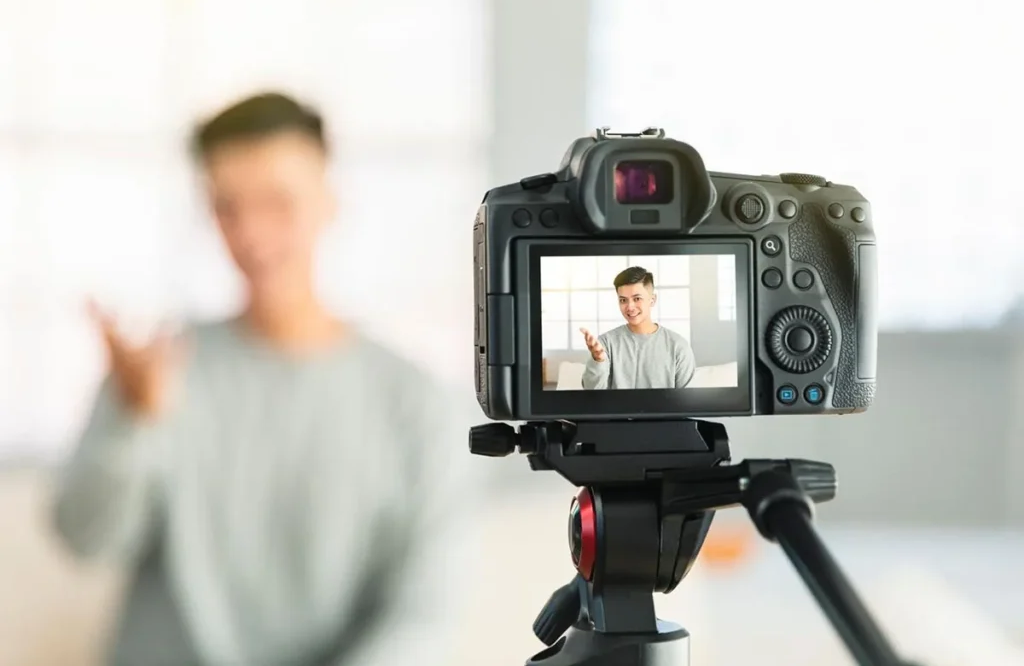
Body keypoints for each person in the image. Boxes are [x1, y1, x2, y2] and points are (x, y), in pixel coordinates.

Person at [52, 92, 476, 666]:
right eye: (228, 206)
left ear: (329, 201)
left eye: (278, 202)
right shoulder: (156, 369)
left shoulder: (417, 404)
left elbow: (424, 612)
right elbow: (85, 539)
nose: (251, 233)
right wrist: (134, 422)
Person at [580, 266, 696, 390]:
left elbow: (688, 401)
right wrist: (598, 361)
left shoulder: (678, 346)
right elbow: (591, 394)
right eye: (623, 300)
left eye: (637, 299)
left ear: (652, 300)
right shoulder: (605, 343)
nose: (630, 307)